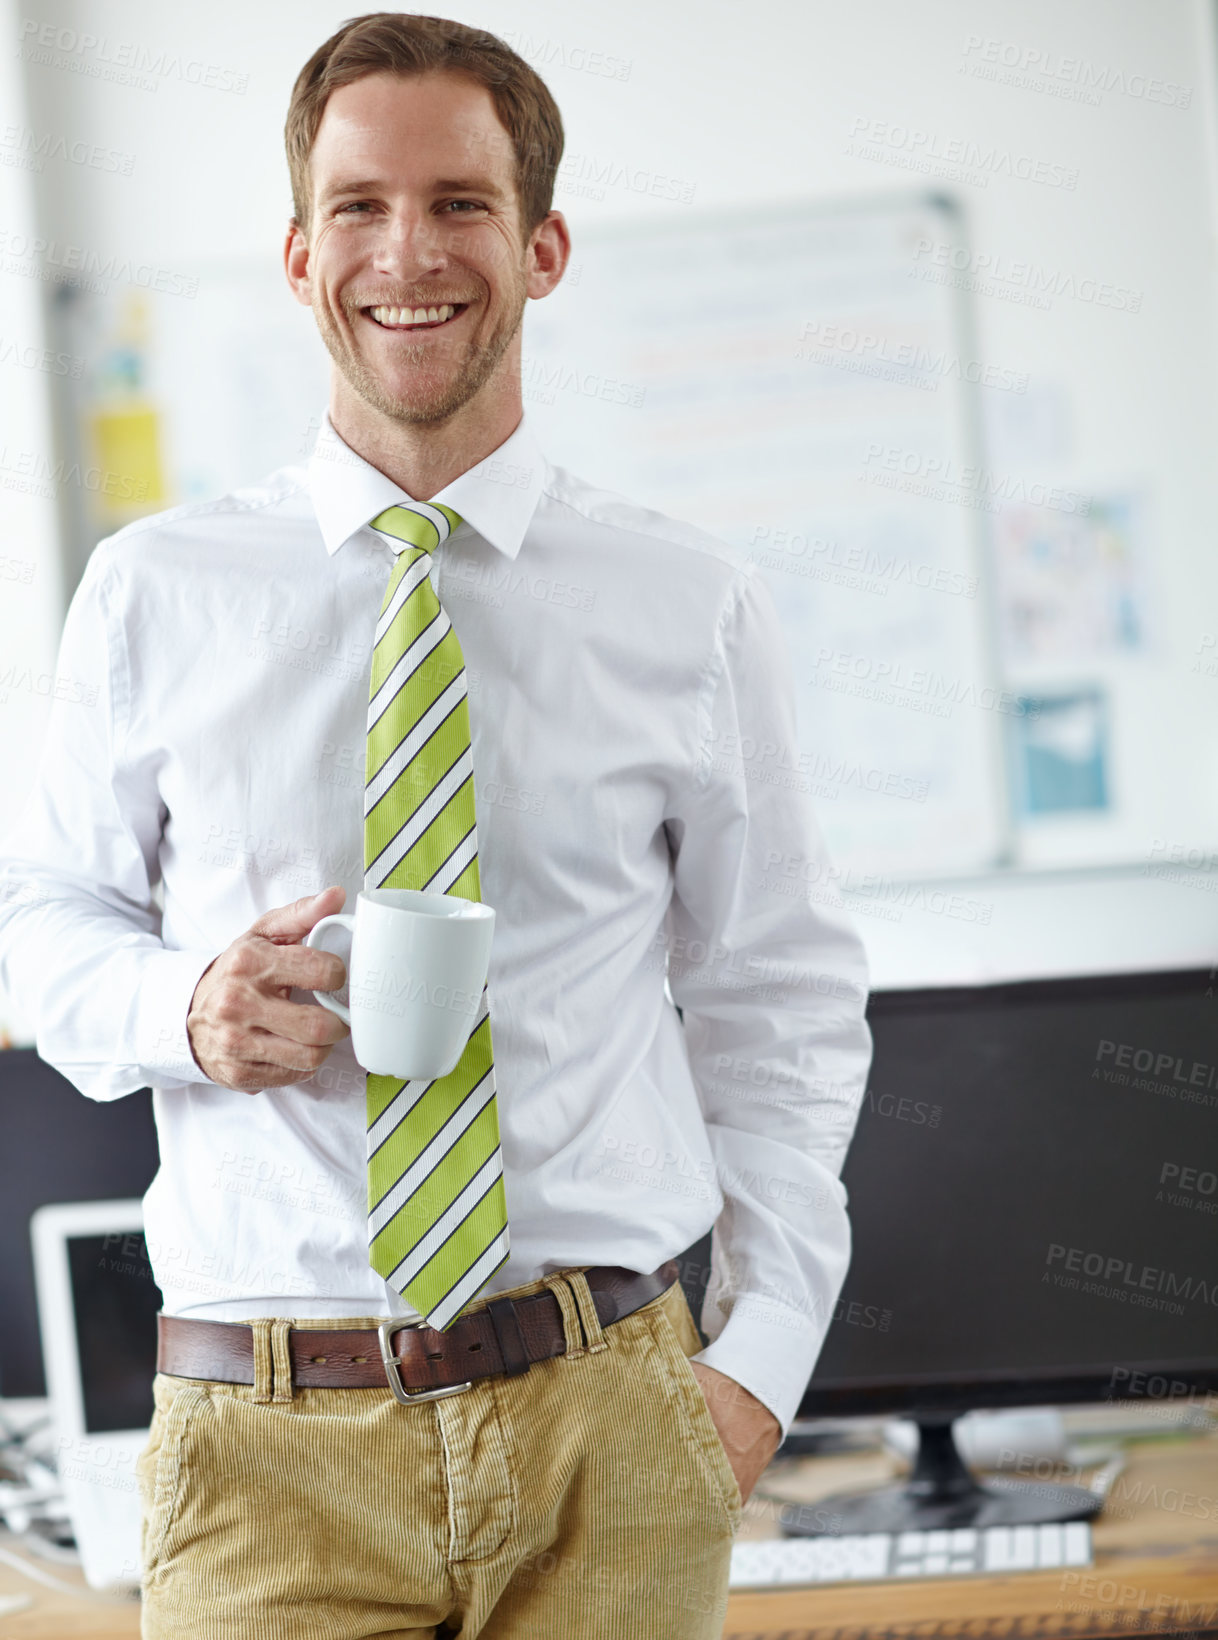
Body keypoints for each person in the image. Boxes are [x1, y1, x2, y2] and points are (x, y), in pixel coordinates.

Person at [0, 13, 872, 1638]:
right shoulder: (154, 592)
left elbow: (782, 1004)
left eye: (461, 204)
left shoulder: (688, 606)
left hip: (608, 1431)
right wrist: (178, 1009)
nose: (409, 252)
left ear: (541, 248)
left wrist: (752, 1371)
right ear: (296, 251)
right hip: (265, 1455)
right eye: (360, 207)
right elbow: (40, 922)